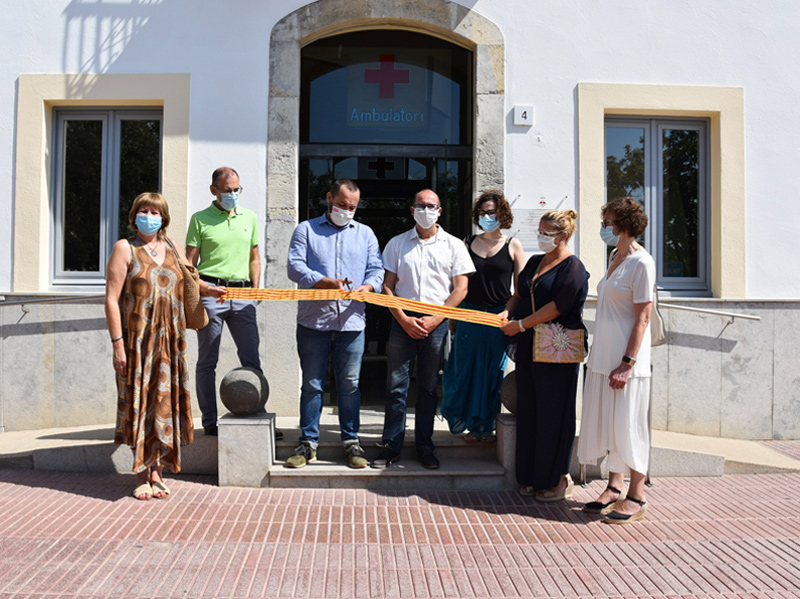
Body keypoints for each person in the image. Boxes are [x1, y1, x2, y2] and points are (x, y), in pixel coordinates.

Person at [105, 192, 226, 500]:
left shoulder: (171, 247)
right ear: (134, 216)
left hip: (170, 343)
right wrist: (118, 345)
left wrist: (211, 289)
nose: (150, 216)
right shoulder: (125, 248)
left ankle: (157, 471)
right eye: (144, 211)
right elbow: (111, 299)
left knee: (163, 406)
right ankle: (142, 474)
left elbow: (191, 278)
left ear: (164, 217)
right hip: (137, 343)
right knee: (141, 404)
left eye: (155, 211)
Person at [372, 189, 475, 470]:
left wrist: (436, 318)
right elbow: (387, 286)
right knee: (396, 387)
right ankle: (390, 446)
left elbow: (461, 288)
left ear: (440, 211)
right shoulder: (397, 243)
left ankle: (424, 447)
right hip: (402, 320)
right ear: (412, 209)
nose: (426, 210)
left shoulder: (454, 245)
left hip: (436, 322)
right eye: (421, 205)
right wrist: (404, 318)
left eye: (431, 206)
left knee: (428, 388)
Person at [285, 179, 384, 469]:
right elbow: (294, 266)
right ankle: (308, 443)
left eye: (352, 207)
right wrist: (324, 281)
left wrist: (370, 286)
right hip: (313, 320)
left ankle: (351, 442)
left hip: (352, 321)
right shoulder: (306, 229)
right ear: (329, 198)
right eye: (342, 205)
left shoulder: (365, 234)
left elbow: (376, 269)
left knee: (350, 385)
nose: (347, 211)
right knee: (312, 384)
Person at [500, 209, 589, 501]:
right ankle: (530, 477)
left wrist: (522, 324)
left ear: (563, 236)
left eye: (545, 233)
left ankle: (557, 480)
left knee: (554, 414)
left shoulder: (573, 268)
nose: (539, 237)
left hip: (556, 350)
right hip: (528, 348)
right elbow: (519, 293)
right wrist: (507, 311)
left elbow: (557, 307)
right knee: (530, 411)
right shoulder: (536, 261)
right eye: (539, 230)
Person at [577, 197, 655, 524]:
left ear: (622, 225)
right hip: (603, 355)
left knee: (630, 425)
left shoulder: (642, 263)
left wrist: (627, 363)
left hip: (626, 361)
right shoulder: (615, 256)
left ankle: (637, 494)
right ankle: (613, 486)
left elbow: (643, 318)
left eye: (607, 221)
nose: (603, 227)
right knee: (611, 424)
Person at [186, 167, 274, 438]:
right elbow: (188, 267)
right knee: (207, 360)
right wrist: (204, 289)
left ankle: (257, 413)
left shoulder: (250, 217)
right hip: (211, 293)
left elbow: (255, 257)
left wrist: (256, 288)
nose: (233, 195)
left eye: (237, 190)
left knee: (251, 357)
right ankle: (209, 421)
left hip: (243, 295)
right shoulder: (199, 219)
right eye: (228, 190)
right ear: (214, 190)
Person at [441, 191, 525, 443]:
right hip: (468, 314)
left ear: (502, 214)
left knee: (491, 373)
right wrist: (452, 314)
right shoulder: (465, 242)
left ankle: (485, 427)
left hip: (497, 318)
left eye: (492, 212)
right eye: (483, 212)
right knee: (461, 370)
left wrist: (508, 312)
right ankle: (465, 422)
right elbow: (455, 283)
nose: (487, 216)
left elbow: (520, 290)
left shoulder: (513, 245)